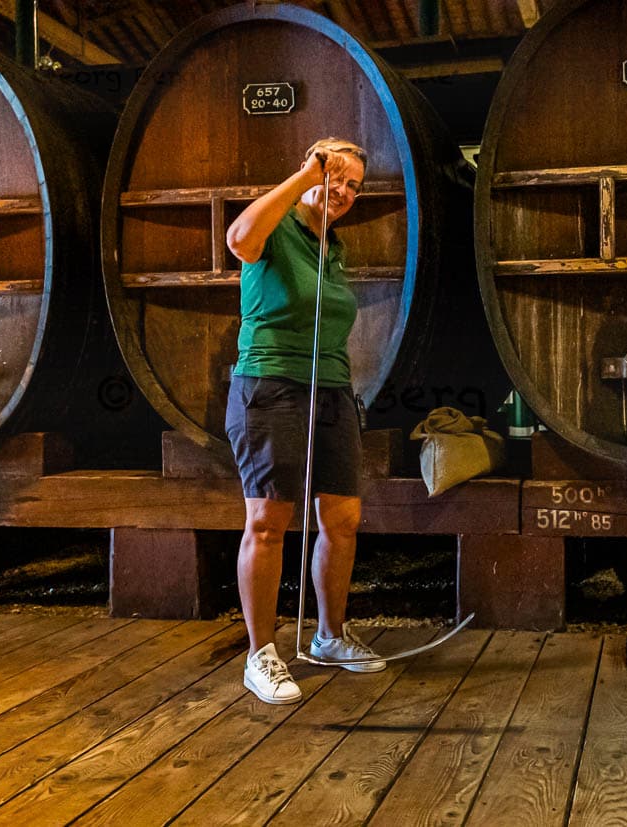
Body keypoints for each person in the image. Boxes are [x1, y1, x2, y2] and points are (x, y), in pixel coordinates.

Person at [225, 137, 385, 705]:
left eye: (353, 186)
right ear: (309, 167)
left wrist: (322, 188)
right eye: (335, 176)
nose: (342, 192)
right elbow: (238, 239)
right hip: (270, 384)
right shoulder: (277, 227)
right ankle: (261, 655)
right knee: (268, 521)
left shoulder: (331, 248)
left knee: (341, 519)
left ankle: (328, 638)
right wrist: (305, 178)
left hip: (332, 390)